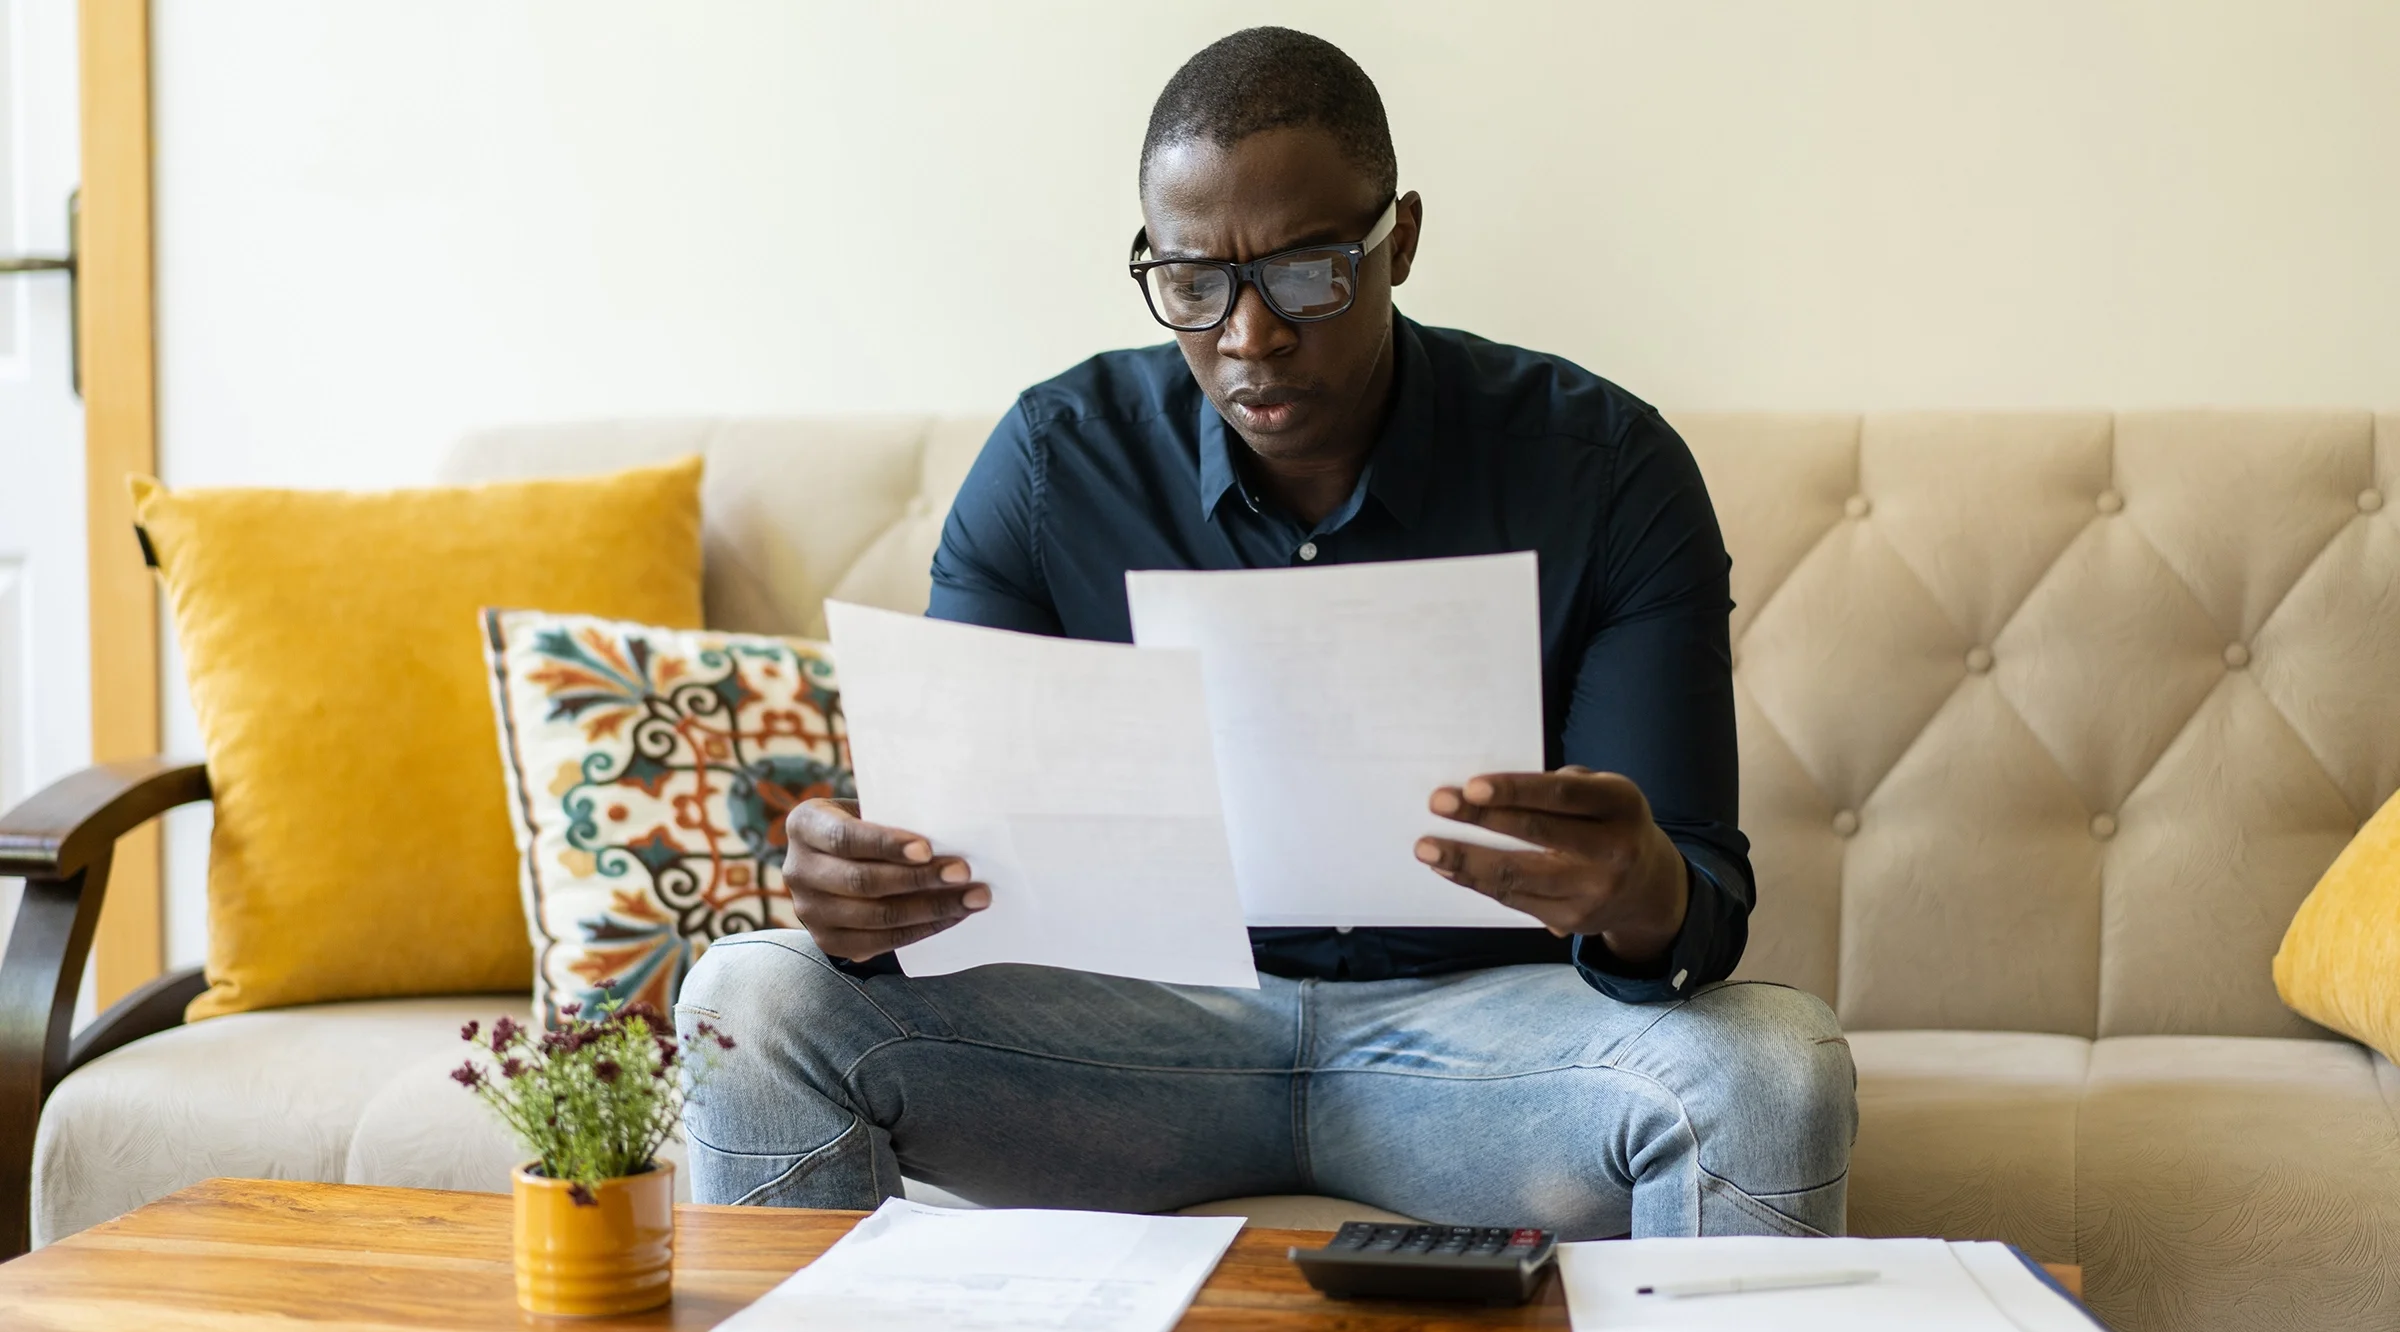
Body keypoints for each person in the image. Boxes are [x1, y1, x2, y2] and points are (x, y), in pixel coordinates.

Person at [678, 26, 1855, 1239]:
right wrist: (864, 905)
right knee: (752, 995)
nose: (1249, 336)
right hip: (1137, 1048)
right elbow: (949, 873)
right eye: (1194, 282)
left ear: (1398, 239)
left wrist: (1640, 887)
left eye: (1306, 272)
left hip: (1491, 1048)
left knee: (1774, 1062)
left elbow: (1696, 902)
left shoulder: (1607, 471)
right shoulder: (1052, 467)